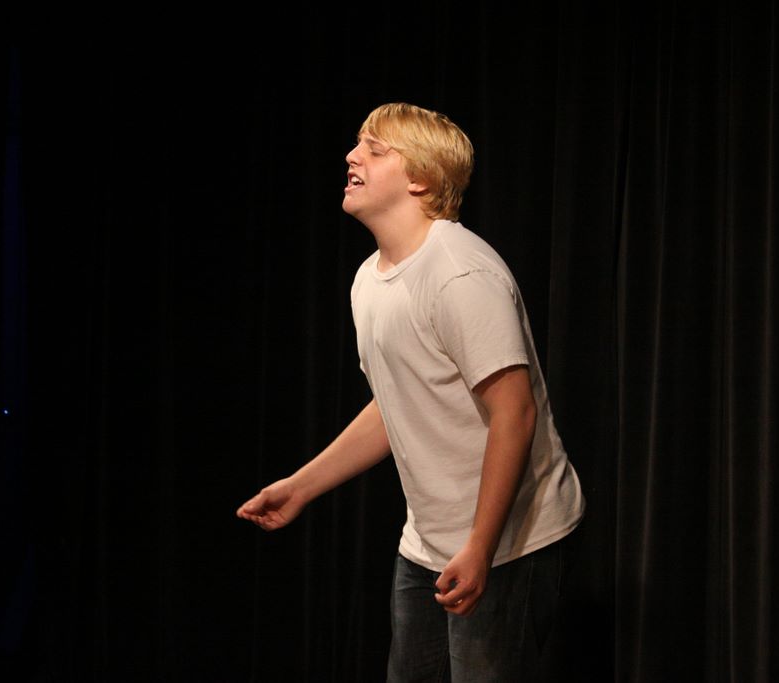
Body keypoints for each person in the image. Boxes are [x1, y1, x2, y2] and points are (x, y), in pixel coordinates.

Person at [237, 102, 585, 682]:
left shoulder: (459, 274)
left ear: (420, 178)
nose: (352, 157)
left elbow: (515, 414)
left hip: (508, 543)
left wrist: (480, 547)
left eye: (374, 150)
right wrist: (301, 486)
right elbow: (395, 404)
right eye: (358, 145)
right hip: (426, 544)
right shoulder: (369, 280)